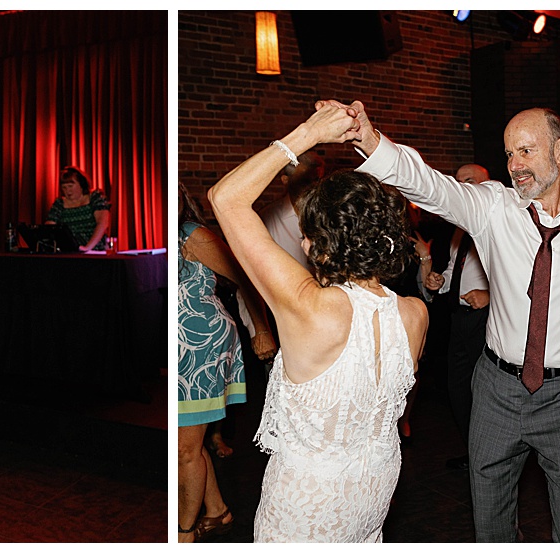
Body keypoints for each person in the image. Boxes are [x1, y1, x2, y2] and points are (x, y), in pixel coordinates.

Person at [338, 100, 560, 542]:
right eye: (510, 154)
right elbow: (430, 186)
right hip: (495, 391)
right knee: (490, 527)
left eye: (527, 152)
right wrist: (371, 141)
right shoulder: (493, 208)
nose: (515, 166)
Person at [208, 104, 429, 542]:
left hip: (307, 502)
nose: (303, 242)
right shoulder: (414, 314)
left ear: (320, 245)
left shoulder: (311, 307)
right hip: (376, 489)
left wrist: (307, 134)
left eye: (308, 234)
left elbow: (225, 198)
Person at [173, 202, 275, 542]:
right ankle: (217, 511)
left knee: (185, 448)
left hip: (201, 345)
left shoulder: (191, 234)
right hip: (179, 345)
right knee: (188, 441)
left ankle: (182, 533)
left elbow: (245, 275)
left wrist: (260, 327)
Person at [435, 163, 494, 471]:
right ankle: (476, 454)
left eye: (469, 181)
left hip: (488, 318)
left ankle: (491, 459)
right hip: (461, 317)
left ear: (489, 183)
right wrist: (440, 281)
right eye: (458, 183)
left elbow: (524, 274)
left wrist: (491, 296)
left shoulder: (498, 220)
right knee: (459, 388)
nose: (462, 187)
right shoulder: (461, 224)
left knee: (485, 392)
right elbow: (453, 269)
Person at [43, 167, 112, 251]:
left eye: (70, 186)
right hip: (69, 251)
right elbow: (50, 227)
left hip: (94, 249)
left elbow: (102, 223)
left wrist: (87, 248)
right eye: (64, 187)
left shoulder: (95, 198)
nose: (68, 191)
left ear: (81, 185)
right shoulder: (59, 204)